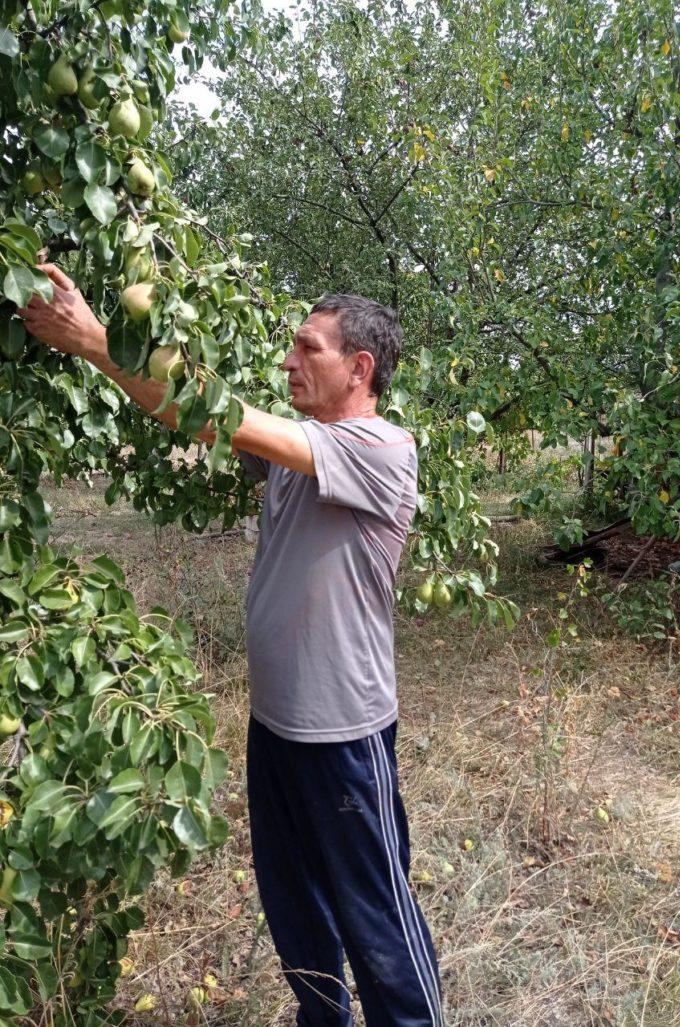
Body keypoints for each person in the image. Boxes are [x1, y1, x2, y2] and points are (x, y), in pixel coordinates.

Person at [19, 267, 444, 1027]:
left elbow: (219, 416)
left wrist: (95, 342)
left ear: (360, 368)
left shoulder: (380, 449)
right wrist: (125, 343)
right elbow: (192, 414)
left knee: (378, 924)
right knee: (297, 917)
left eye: (305, 349)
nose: (287, 362)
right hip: (275, 728)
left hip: (343, 735)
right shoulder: (299, 448)